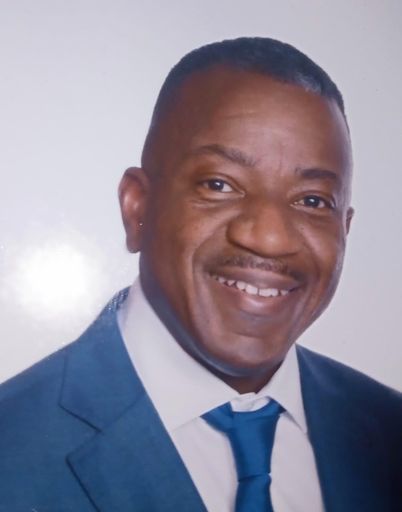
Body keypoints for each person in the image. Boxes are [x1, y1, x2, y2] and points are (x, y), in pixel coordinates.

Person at [0, 37, 401, 512]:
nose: (269, 237)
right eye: (219, 184)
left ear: (344, 229)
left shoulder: (388, 434)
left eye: (313, 201)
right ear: (137, 207)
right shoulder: (13, 451)